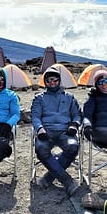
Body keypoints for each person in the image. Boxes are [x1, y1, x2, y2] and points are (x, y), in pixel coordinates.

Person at [31, 66, 82, 196]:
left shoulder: (70, 97)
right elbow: (35, 116)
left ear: (59, 81)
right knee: (41, 149)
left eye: (54, 80)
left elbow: (77, 114)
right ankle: (68, 181)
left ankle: (48, 178)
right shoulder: (39, 98)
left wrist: (74, 125)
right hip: (46, 131)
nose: (52, 83)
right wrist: (40, 128)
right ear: (45, 82)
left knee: (73, 147)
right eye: (48, 81)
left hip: (65, 131)